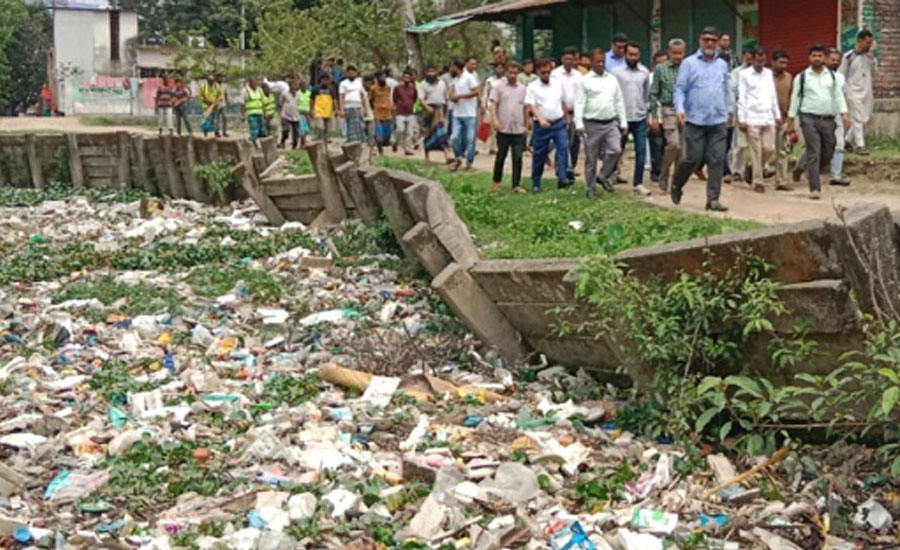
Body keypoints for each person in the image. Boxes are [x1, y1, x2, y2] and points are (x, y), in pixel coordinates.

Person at [670, 26, 732, 212]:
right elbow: (679, 89)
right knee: (694, 158)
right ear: (700, 41)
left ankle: (712, 199)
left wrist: (729, 111)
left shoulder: (722, 64)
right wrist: (680, 109)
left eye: (713, 40)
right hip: (695, 120)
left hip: (717, 120)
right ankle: (677, 184)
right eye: (706, 39)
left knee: (716, 159)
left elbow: (726, 90)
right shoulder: (689, 63)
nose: (710, 43)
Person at [787, 44, 850, 200]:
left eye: (820, 56)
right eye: (814, 56)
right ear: (809, 58)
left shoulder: (833, 77)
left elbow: (838, 97)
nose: (817, 58)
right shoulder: (802, 77)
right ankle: (815, 188)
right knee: (814, 151)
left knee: (829, 150)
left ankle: (806, 169)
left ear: (824, 58)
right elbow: (795, 99)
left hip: (828, 119)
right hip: (808, 118)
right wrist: (790, 121)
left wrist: (844, 114)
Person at [575, 48, 628, 199]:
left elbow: (618, 101)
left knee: (616, 150)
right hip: (591, 123)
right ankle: (590, 189)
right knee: (591, 158)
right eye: (597, 61)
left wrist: (623, 121)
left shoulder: (611, 79)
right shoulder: (585, 81)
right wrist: (579, 123)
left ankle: (603, 175)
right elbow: (579, 103)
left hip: (610, 122)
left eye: (603, 61)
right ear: (591, 62)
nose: (600, 64)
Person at [737, 47, 781, 193]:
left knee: (769, 148)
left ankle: (751, 167)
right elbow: (742, 97)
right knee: (756, 150)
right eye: (758, 59)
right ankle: (758, 181)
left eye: (763, 60)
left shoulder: (768, 73)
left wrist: (777, 114)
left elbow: (772, 94)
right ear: (752, 58)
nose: (760, 63)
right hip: (751, 117)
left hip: (768, 116)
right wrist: (742, 118)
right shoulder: (744, 75)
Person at [526, 58, 571, 192]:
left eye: (548, 72)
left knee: (563, 148)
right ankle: (536, 182)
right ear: (538, 72)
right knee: (540, 154)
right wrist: (540, 119)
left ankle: (562, 178)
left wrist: (566, 116)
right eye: (543, 72)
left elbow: (562, 101)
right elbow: (531, 105)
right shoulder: (532, 87)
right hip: (542, 125)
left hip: (558, 122)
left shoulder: (557, 84)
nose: (546, 75)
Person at [612, 42, 652, 196]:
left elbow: (646, 94)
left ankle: (638, 183)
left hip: (640, 116)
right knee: (616, 150)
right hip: (622, 117)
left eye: (636, 55)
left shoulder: (644, 72)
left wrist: (647, 113)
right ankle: (611, 175)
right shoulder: (616, 72)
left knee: (641, 150)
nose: (633, 57)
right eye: (630, 54)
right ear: (625, 54)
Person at [649, 39, 686, 192]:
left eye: (680, 53)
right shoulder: (660, 69)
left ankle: (677, 181)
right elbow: (653, 94)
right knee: (674, 144)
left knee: (682, 151)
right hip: (668, 110)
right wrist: (654, 116)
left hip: (686, 111)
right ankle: (663, 174)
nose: (677, 56)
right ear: (669, 52)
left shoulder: (688, 68)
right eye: (674, 53)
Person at [489, 61, 528, 193]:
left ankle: (516, 184)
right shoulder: (498, 86)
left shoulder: (522, 89)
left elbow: (526, 107)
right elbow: (493, 104)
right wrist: (494, 120)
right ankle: (496, 181)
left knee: (517, 157)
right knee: (501, 155)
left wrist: (526, 125)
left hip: (518, 128)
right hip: (503, 127)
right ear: (506, 73)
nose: (512, 75)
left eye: (515, 73)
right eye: (510, 72)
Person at [840, 29, 876, 155]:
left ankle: (846, 141)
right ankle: (860, 146)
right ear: (860, 41)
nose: (869, 45)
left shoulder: (869, 56)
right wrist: (844, 92)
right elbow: (841, 76)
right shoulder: (848, 57)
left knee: (865, 118)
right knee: (857, 118)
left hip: (866, 91)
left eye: (870, 43)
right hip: (852, 91)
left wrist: (871, 54)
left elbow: (873, 70)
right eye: (867, 42)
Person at [551, 47, 584, 182]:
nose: (569, 61)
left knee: (575, 141)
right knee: (562, 141)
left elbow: (581, 95)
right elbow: (555, 94)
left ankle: (572, 166)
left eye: (572, 59)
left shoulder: (578, 75)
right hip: (560, 112)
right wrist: (563, 112)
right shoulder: (555, 74)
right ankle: (561, 167)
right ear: (562, 59)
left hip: (576, 112)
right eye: (567, 59)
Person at [726, 48, 755, 183]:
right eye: (748, 55)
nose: (750, 58)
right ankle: (737, 170)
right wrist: (731, 110)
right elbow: (732, 92)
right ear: (744, 56)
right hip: (741, 108)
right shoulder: (736, 73)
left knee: (757, 141)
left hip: (756, 110)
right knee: (740, 142)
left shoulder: (761, 72)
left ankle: (756, 169)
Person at [449, 56, 481, 172]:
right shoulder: (454, 80)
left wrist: (461, 96)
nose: (450, 68)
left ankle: (469, 163)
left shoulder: (469, 78)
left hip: (469, 113)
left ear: (456, 67)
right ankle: (458, 157)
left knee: (470, 140)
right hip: (457, 114)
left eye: (452, 66)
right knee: (454, 137)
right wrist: (453, 97)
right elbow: (451, 93)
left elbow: (477, 91)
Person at [827, 49, 851, 186]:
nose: (835, 62)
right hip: (821, 115)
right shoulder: (818, 76)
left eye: (838, 60)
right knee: (817, 145)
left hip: (837, 115)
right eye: (832, 59)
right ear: (826, 59)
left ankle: (836, 175)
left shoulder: (841, 78)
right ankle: (800, 166)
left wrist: (845, 114)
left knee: (839, 144)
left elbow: (842, 97)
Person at [771, 49, 794, 189]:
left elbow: (792, 98)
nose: (784, 65)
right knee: (766, 148)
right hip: (767, 119)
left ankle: (781, 181)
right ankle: (755, 171)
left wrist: (791, 120)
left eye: (786, 63)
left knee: (783, 150)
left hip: (784, 118)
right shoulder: (765, 77)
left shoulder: (789, 78)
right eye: (781, 62)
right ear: (773, 62)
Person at [420, 65, 452, 163]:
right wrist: (426, 107)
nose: (431, 74)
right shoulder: (423, 84)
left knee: (441, 132)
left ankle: (447, 155)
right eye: (429, 71)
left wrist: (447, 107)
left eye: (433, 71)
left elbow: (446, 95)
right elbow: (421, 99)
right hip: (428, 110)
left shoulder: (442, 83)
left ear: (436, 72)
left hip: (439, 109)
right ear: (426, 73)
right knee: (428, 133)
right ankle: (426, 157)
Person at [647, 50, 668, 183]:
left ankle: (665, 170)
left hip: (668, 115)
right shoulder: (649, 78)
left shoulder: (672, 76)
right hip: (654, 115)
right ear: (654, 65)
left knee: (668, 145)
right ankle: (656, 171)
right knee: (656, 144)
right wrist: (649, 116)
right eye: (659, 63)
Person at [392, 69, 419, 155]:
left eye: (408, 77)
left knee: (409, 132)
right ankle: (395, 141)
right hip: (400, 112)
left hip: (410, 112)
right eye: (405, 77)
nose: (406, 78)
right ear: (402, 78)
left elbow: (414, 99)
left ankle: (408, 149)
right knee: (400, 129)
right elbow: (394, 98)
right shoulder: (398, 88)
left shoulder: (413, 89)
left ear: (411, 78)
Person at [338, 65, 368, 143]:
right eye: (349, 73)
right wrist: (341, 110)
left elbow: (363, 96)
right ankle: (352, 142)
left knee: (360, 125)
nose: (351, 74)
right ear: (347, 74)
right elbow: (341, 96)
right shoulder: (343, 83)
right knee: (351, 126)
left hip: (358, 106)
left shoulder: (359, 83)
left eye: (353, 73)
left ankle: (360, 142)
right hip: (348, 107)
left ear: (356, 73)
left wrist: (366, 109)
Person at [483, 62, 506, 155]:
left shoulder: (505, 80)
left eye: (501, 68)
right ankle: (492, 147)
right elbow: (486, 93)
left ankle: (498, 146)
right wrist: (483, 104)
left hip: (503, 106)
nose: (499, 70)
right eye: (497, 68)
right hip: (491, 105)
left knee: (500, 128)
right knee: (492, 128)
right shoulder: (489, 81)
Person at [370, 71, 394, 155]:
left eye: (384, 77)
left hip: (388, 114)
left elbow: (388, 97)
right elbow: (371, 100)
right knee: (379, 135)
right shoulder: (373, 88)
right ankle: (380, 152)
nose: (383, 79)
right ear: (377, 79)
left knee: (387, 134)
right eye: (381, 77)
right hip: (378, 114)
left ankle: (385, 145)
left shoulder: (388, 87)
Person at [199, 72, 224, 137]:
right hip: (206, 107)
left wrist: (217, 101)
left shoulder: (217, 86)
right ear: (207, 80)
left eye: (212, 80)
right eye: (210, 81)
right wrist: (206, 101)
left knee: (215, 120)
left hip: (215, 106)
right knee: (205, 120)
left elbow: (221, 96)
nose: (211, 82)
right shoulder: (203, 87)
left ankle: (216, 132)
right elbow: (200, 96)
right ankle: (205, 132)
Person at [279, 78, 302, 149]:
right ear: (290, 86)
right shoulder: (284, 93)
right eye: (293, 85)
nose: (295, 86)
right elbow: (280, 103)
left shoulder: (299, 94)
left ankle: (294, 147)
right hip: (286, 115)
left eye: (296, 85)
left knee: (296, 134)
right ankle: (282, 141)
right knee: (286, 130)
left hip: (296, 115)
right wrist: (280, 113)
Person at [242, 76, 265, 142]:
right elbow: (242, 104)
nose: (255, 83)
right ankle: (254, 143)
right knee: (254, 130)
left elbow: (262, 102)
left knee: (261, 130)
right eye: (253, 82)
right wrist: (243, 115)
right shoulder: (245, 91)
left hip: (260, 113)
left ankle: (261, 144)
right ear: (249, 83)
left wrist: (264, 112)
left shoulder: (260, 90)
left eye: (256, 82)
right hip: (251, 114)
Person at [313, 73, 335, 143]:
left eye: (326, 80)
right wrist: (311, 110)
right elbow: (311, 100)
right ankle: (320, 139)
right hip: (318, 110)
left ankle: (325, 139)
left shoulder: (331, 89)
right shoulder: (316, 88)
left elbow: (334, 99)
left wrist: (336, 109)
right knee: (320, 127)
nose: (325, 81)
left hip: (328, 111)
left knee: (328, 128)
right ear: (321, 80)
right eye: (323, 79)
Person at [297, 78, 312, 148]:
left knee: (306, 129)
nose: (303, 87)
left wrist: (311, 112)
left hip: (307, 113)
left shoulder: (309, 93)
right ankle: (302, 144)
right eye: (302, 85)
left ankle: (304, 142)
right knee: (302, 129)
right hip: (300, 113)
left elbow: (311, 102)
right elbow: (296, 103)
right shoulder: (298, 93)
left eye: (304, 85)